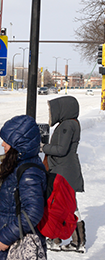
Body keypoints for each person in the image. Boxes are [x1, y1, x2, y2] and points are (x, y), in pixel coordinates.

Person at [0, 115, 47, 260]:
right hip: (10, 234)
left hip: (17, 242)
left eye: (7, 141)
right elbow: (16, 200)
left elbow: (33, 211)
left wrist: (6, 237)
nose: (2, 144)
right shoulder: (17, 163)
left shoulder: (29, 171)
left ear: (19, 145)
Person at [41, 95, 86, 253]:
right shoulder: (69, 124)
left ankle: (74, 241)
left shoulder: (67, 125)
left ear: (64, 109)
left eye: (53, 110)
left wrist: (43, 147)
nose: (51, 114)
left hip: (64, 172)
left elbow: (61, 150)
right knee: (63, 206)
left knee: (65, 207)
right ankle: (63, 240)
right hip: (63, 170)